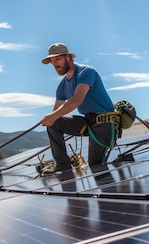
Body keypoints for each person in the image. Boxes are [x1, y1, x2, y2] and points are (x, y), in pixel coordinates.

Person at [40, 43, 116, 173]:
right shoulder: (62, 86)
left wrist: (52, 116)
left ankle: (107, 190)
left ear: (68, 57)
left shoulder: (86, 72)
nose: (55, 64)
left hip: (104, 122)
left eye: (58, 59)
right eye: (52, 62)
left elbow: (77, 99)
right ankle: (63, 166)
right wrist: (50, 119)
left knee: (95, 166)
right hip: (88, 122)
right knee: (54, 124)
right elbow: (56, 114)